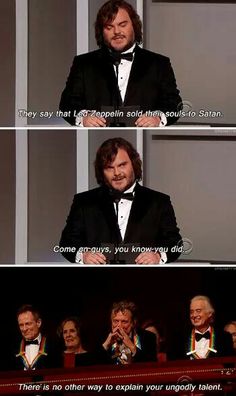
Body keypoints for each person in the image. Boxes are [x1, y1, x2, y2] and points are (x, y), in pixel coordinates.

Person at [59, 137, 182, 264]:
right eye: (109, 168)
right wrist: (83, 255)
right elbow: (66, 243)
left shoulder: (159, 202)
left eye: (122, 165)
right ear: (102, 172)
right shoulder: (84, 201)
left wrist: (157, 256)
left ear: (134, 165)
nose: (117, 173)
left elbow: (175, 243)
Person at [59, 0, 182, 127]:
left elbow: (174, 104)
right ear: (101, 31)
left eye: (122, 24)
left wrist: (157, 118)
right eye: (109, 27)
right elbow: (67, 104)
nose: (117, 31)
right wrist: (83, 117)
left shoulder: (159, 64)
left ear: (134, 26)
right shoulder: (83, 64)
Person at [168, 295, 234, 360]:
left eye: (198, 311)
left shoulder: (224, 338)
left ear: (209, 313)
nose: (194, 315)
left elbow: (229, 366)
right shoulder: (179, 340)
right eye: (191, 312)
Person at [13, 304, 59, 370]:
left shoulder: (53, 346)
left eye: (28, 324)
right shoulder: (14, 349)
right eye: (21, 325)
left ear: (39, 323)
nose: (24, 329)